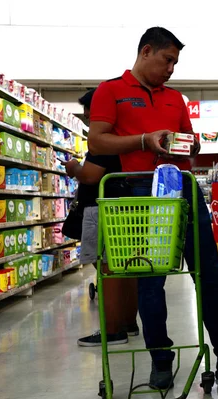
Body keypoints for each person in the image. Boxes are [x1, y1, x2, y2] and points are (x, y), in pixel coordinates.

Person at [87, 27, 218, 389]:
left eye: (175, 62)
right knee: (150, 280)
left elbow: (189, 141)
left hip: (184, 188)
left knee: (208, 275)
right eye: (166, 59)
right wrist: (144, 140)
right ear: (145, 52)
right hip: (139, 192)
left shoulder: (176, 98)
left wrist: (190, 144)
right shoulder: (111, 91)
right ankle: (160, 359)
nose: (171, 68)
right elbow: (97, 140)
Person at [66, 89, 139, 347]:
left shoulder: (103, 139)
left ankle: (112, 330)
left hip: (105, 208)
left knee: (107, 269)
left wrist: (74, 167)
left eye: (90, 116)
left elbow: (90, 176)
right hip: (127, 207)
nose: (89, 121)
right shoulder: (126, 134)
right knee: (127, 267)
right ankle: (128, 323)